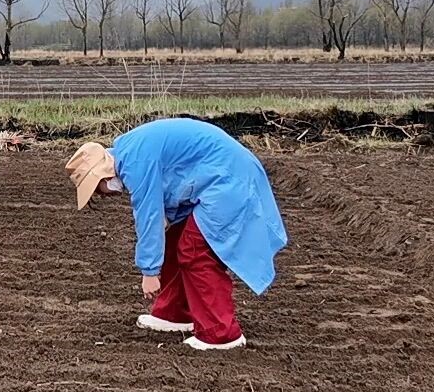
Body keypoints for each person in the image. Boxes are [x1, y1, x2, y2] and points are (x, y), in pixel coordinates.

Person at [66, 117, 287, 351]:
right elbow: (173, 183)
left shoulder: (135, 163)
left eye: (96, 189)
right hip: (219, 177)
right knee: (174, 239)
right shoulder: (130, 152)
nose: (102, 196)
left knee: (195, 251)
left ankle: (221, 333)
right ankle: (175, 313)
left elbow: (149, 216)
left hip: (227, 180)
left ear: (103, 176)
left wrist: (149, 272)